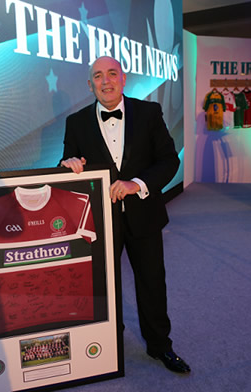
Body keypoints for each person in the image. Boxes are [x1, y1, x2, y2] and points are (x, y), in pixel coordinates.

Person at [60, 56, 191, 374]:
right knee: (104, 285)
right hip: (100, 221)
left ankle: (161, 345)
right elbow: (66, 161)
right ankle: (106, 346)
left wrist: (137, 184)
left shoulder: (149, 113)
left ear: (124, 78)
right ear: (90, 84)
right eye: (98, 76)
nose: (106, 81)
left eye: (112, 74)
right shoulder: (76, 122)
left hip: (144, 213)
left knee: (151, 282)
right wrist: (67, 165)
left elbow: (169, 161)